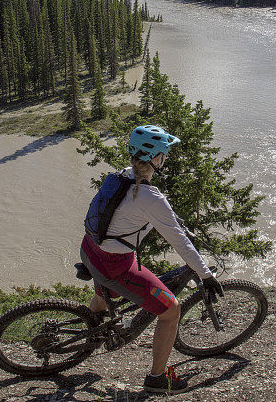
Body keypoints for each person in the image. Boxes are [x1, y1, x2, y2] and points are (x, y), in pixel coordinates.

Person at [79, 125, 224, 394]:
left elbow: (114, 214)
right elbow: (180, 242)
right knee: (171, 311)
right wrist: (206, 275)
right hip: (114, 264)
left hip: (90, 250)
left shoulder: (119, 176)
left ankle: (94, 335)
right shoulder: (150, 197)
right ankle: (157, 379)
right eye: (164, 154)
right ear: (157, 158)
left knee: (103, 295)